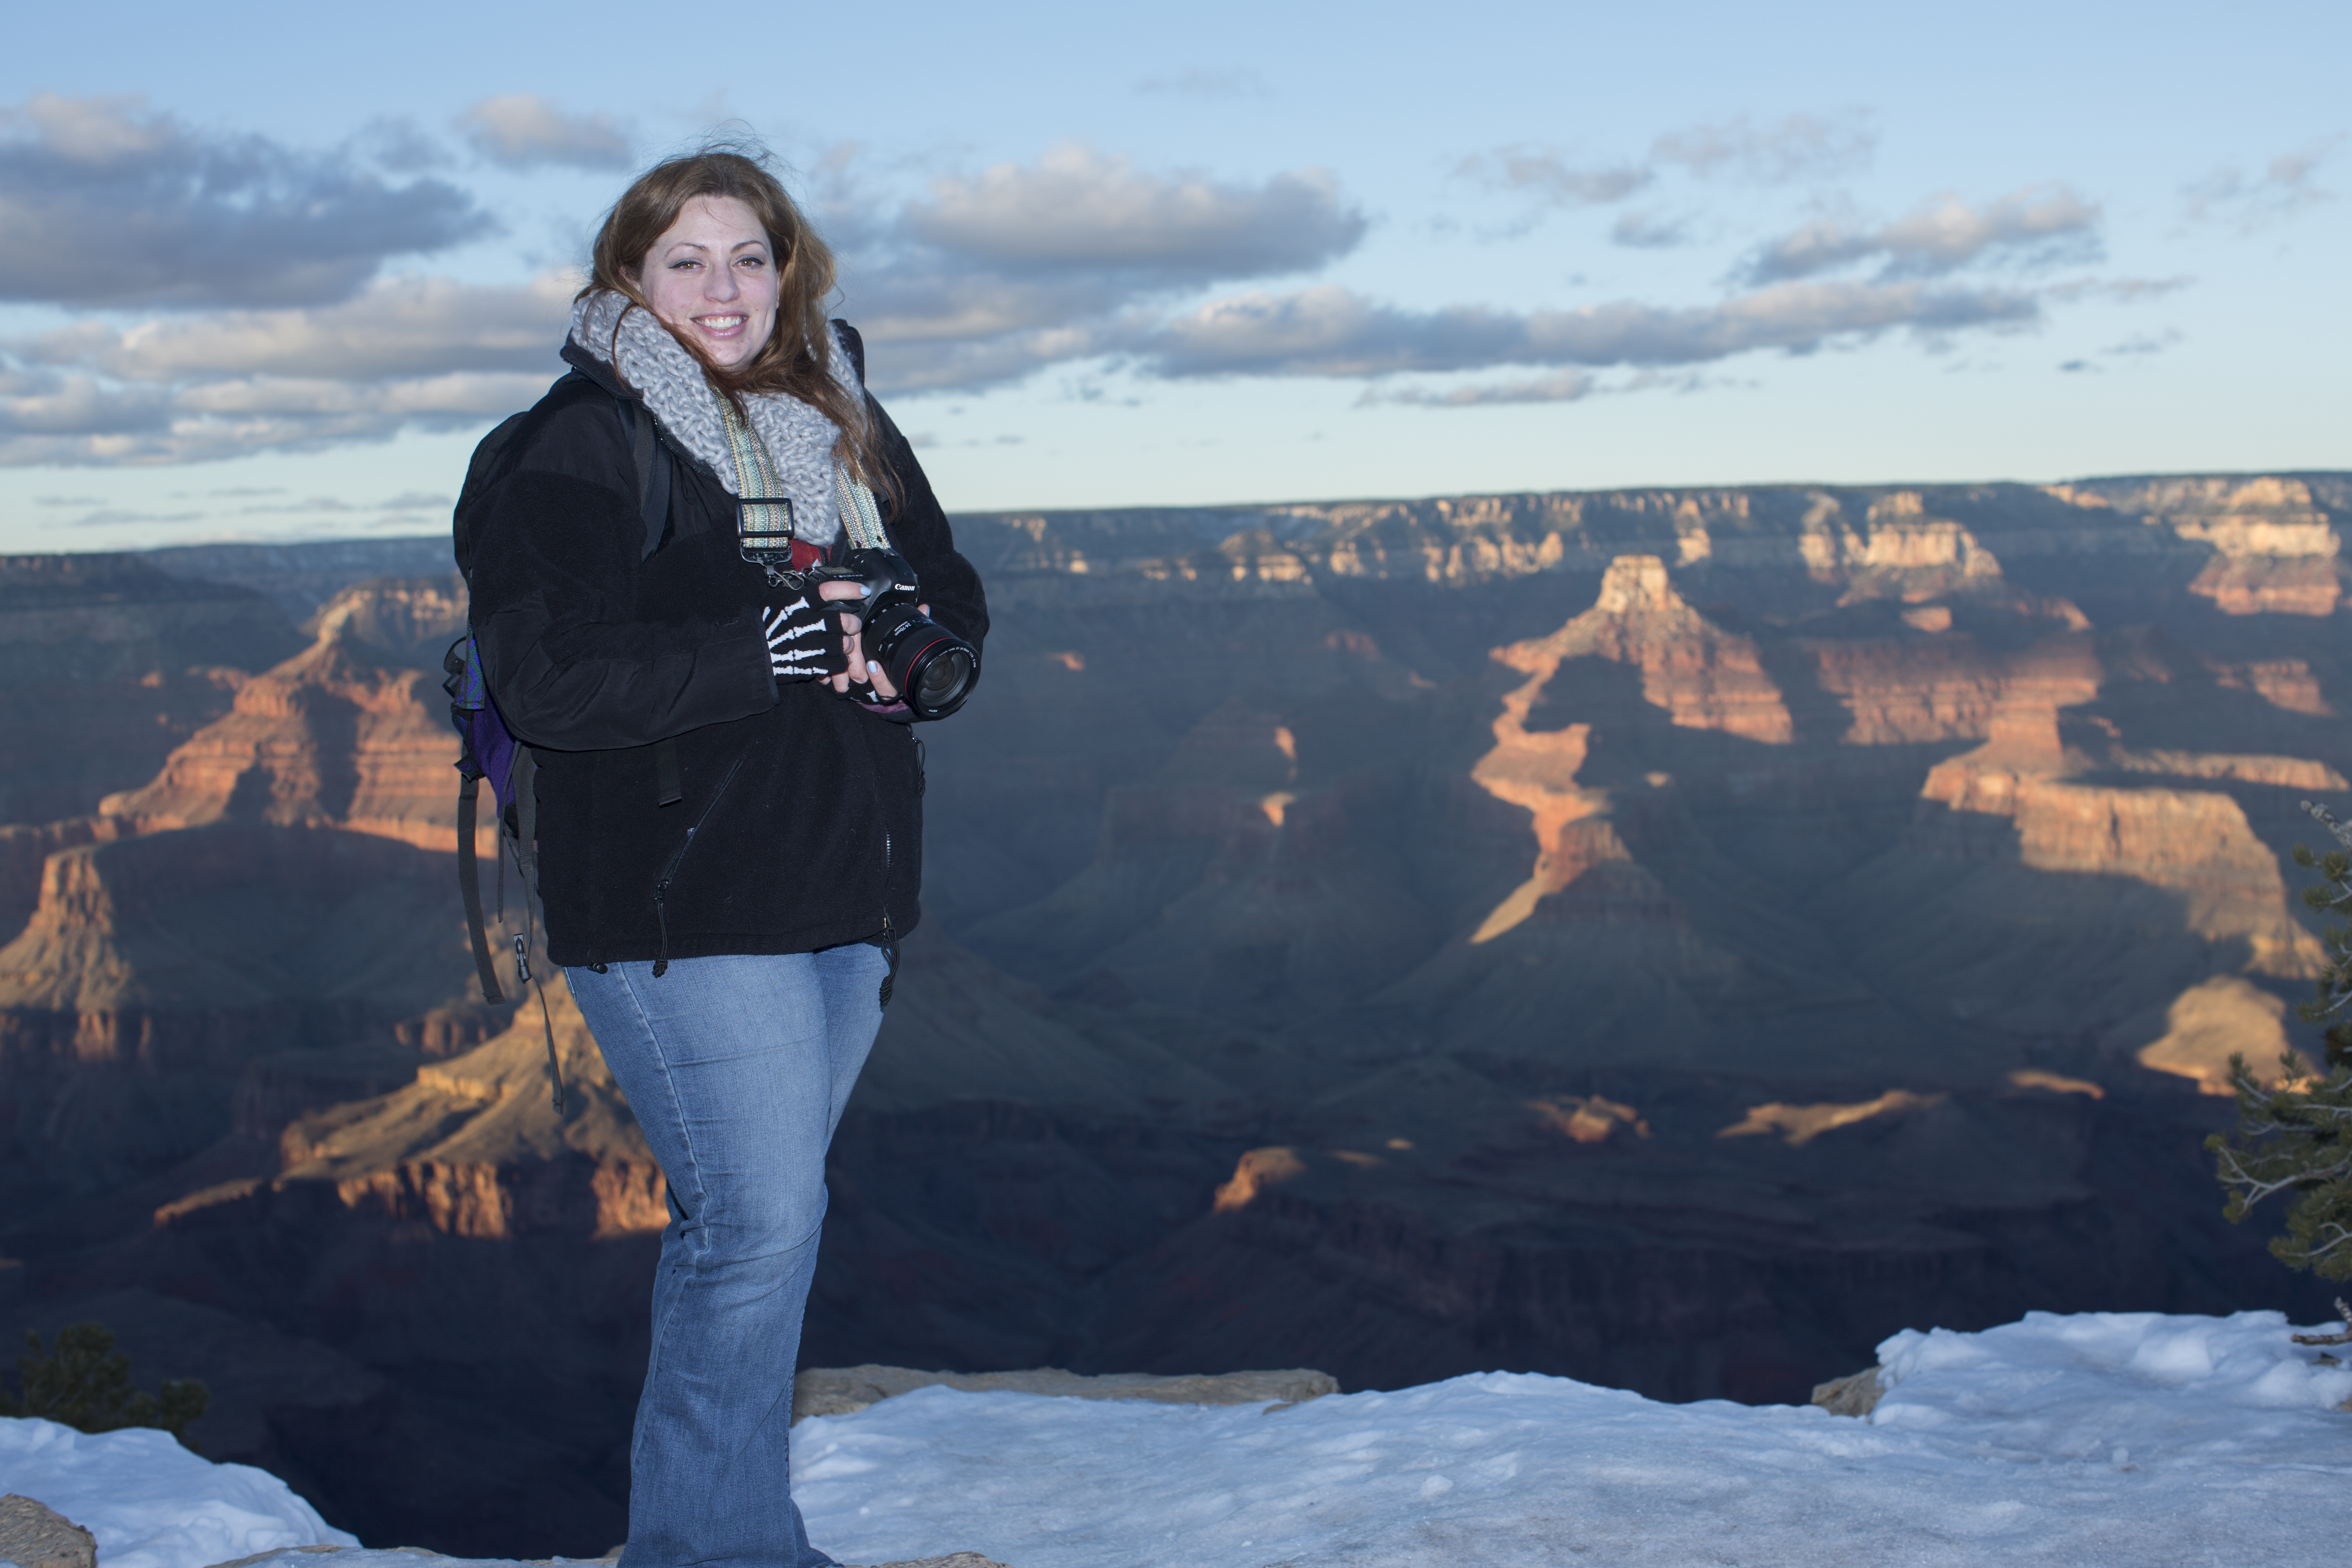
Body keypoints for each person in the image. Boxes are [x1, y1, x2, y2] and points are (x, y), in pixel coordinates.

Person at [464, 145, 987, 1568]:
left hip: (843, 898)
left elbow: (949, 591)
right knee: (751, 1230)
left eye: (749, 257)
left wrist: (910, 663)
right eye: (684, 259)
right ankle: (714, 1553)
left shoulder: (847, 422)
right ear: (629, 276)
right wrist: (755, 651)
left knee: (770, 1231)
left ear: (789, 271)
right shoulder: (572, 446)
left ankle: (742, 1532)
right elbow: (547, 674)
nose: (723, 287)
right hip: (682, 906)